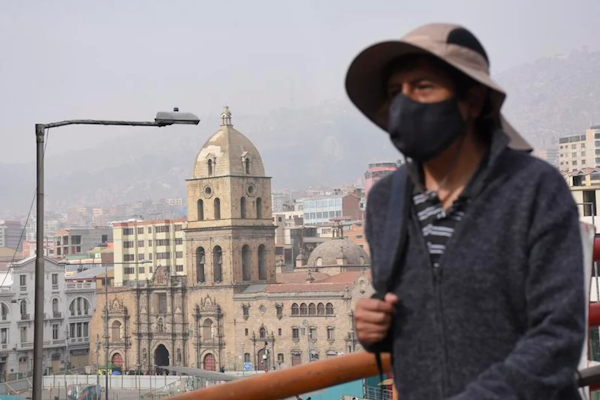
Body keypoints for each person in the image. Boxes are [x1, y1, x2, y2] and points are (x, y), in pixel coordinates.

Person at [346, 23, 585, 399]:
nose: (405, 102)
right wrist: (375, 329)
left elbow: (557, 336)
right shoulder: (385, 201)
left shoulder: (534, 190)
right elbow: (418, 318)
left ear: (472, 101)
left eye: (423, 87)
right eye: (395, 93)